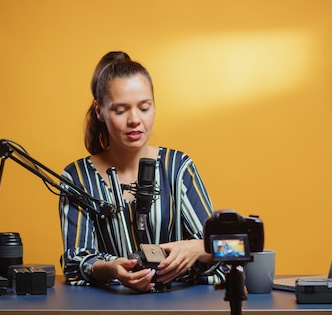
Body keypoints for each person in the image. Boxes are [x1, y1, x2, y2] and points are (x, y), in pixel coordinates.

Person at [59, 51, 224, 292]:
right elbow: (75, 261)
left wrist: (199, 248)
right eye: (120, 110)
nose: (135, 119)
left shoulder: (178, 167)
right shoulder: (77, 178)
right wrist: (111, 267)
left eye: (144, 107)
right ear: (99, 110)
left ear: (154, 107)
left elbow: (222, 251)